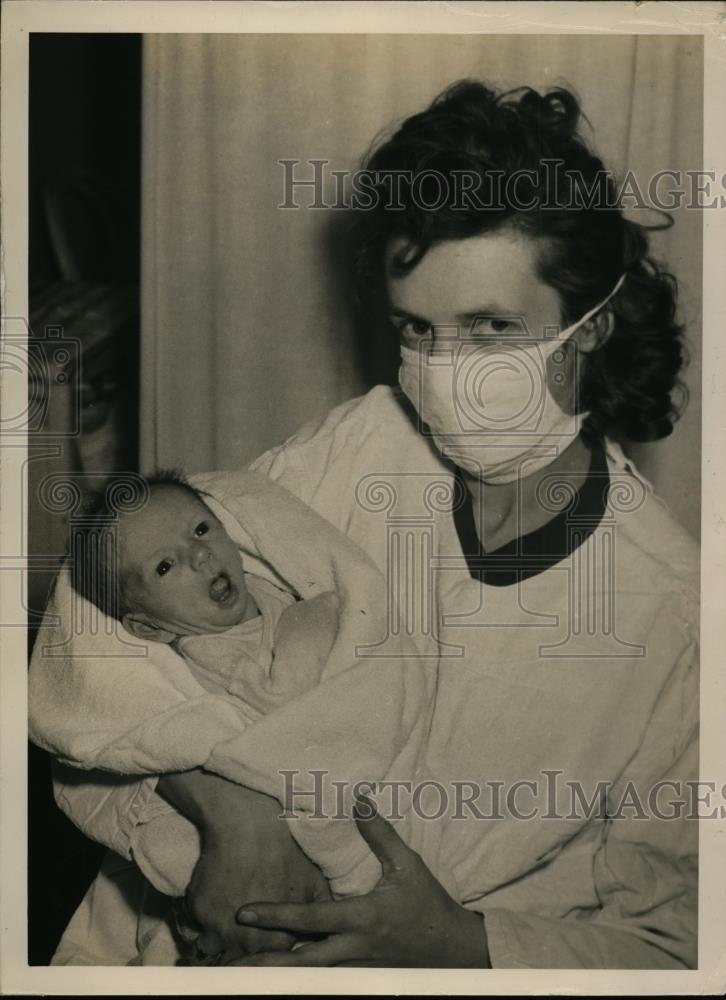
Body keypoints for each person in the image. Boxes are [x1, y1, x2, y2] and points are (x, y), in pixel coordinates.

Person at [38, 79, 698, 968]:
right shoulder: (357, 449)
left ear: (588, 328)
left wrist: (458, 944)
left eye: (491, 328)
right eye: (416, 329)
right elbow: (94, 646)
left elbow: (682, 943)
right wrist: (232, 810)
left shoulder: (675, 614)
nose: (441, 369)